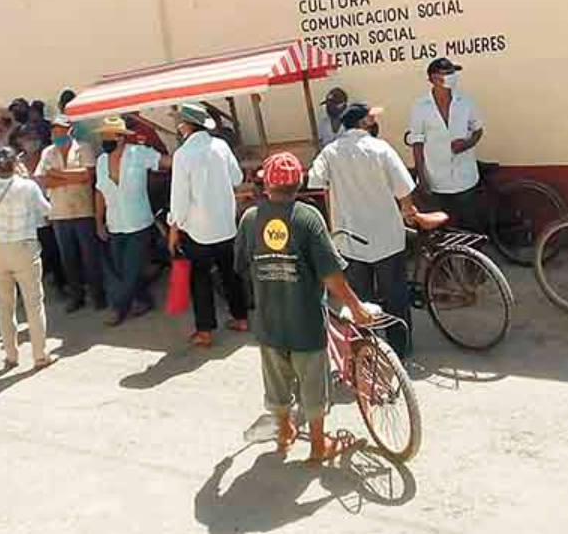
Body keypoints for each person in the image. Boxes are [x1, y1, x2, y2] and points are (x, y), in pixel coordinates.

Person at [234, 152, 373, 462]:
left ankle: (284, 431)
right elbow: (332, 276)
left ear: (267, 183)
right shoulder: (308, 217)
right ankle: (318, 445)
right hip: (306, 322)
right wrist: (356, 306)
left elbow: (242, 264)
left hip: (269, 322)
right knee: (313, 385)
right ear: (298, 183)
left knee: (276, 381)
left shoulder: (249, 218)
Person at [308, 103, 426, 358]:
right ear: (362, 123)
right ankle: (400, 347)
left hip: (350, 240)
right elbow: (404, 189)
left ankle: (367, 351)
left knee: (359, 300)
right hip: (387, 238)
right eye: (371, 119)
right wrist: (410, 212)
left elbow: (314, 181)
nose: (374, 123)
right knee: (395, 295)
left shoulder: (330, 152)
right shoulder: (381, 148)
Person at [168, 103, 249, 348]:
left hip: (198, 230)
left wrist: (174, 227)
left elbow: (179, 199)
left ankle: (205, 331)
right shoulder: (221, 146)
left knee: (200, 280)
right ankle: (241, 318)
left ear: (185, 125)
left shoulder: (182, 155)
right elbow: (237, 178)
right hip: (225, 225)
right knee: (230, 275)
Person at [0, 147, 56, 369]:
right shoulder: (27, 187)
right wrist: (28, 180)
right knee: (34, 304)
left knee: (4, 306)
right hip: (24, 247)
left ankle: (11, 355)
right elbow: (47, 210)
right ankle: (40, 354)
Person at [95, 116, 168, 326]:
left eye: (108, 135)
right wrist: (98, 222)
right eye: (103, 136)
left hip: (139, 223)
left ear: (120, 138)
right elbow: (99, 192)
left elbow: (165, 161)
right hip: (115, 224)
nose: (104, 139)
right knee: (122, 268)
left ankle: (118, 309)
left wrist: (188, 157)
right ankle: (145, 300)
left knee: (129, 269)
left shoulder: (138, 154)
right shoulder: (101, 161)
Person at [36, 115, 105, 313]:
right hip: (59, 213)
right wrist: (71, 177)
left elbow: (87, 176)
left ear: (70, 130)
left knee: (90, 256)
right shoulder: (48, 152)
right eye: (55, 130)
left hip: (83, 210)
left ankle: (98, 295)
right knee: (68, 258)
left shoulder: (83, 148)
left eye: (61, 130)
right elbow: (42, 179)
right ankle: (77, 296)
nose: (58, 134)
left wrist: (56, 174)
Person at [408, 57, 485, 231]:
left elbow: (478, 130)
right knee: (443, 230)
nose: (452, 76)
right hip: (436, 180)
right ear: (434, 78)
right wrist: (422, 176)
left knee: (470, 227)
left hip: (465, 179)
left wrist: (467, 144)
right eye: (447, 73)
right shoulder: (420, 107)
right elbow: (417, 143)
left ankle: (470, 258)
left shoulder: (465, 102)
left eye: (453, 73)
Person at [15, 124, 68, 290]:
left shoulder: (48, 155)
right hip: (28, 216)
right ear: (20, 141)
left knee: (56, 250)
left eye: (34, 138)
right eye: (27, 139)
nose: (31, 142)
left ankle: (62, 283)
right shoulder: (17, 162)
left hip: (52, 207)